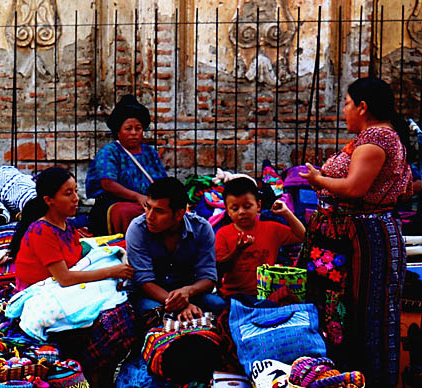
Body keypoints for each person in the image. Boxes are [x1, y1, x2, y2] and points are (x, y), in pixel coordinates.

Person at [300, 77, 412, 388]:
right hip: (353, 238)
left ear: (362, 107)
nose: (344, 111)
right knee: (349, 313)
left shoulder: (377, 138)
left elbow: (354, 187)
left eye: (347, 104)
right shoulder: (376, 138)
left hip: (367, 241)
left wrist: (318, 179)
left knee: (369, 316)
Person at [9, 166, 134, 292]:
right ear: (49, 200)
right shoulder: (41, 231)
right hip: (39, 292)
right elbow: (65, 279)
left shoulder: (67, 227)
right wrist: (111, 272)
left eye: (76, 191)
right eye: (68, 194)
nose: (76, 198)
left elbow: (77, 263)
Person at [126, 176, 223, 323]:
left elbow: (209, 277)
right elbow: (144, 281)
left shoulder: (201, 228)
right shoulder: (138, 229)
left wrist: (188, 291)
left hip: (189, 294)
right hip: (152, 296)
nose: (150, 216)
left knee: (218, 305)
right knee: (152, 313)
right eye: (148, 207)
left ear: (179, 214)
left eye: (159, 211)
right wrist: (180, 305)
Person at [86, 95, 168, 235]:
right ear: (118, 131)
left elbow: (162, 181)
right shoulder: (109, 152)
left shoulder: (150, 152)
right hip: (115, 203)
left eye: (138, 128)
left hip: (149, 203)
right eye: (128, 129)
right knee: (125, 212)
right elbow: (107, 183)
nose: (134, 133)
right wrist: (137, 197)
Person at [215, 175, 306, 301]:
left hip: (265, 294)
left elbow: (303, 236)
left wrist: (286, 212)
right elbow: (220, 268)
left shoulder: (272, 229)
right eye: (235, 209)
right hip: (233, 296)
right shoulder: (223, 234)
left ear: (258, 206)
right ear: (228, 212)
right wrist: (238, 250)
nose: (241, 212)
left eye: (247, 206)